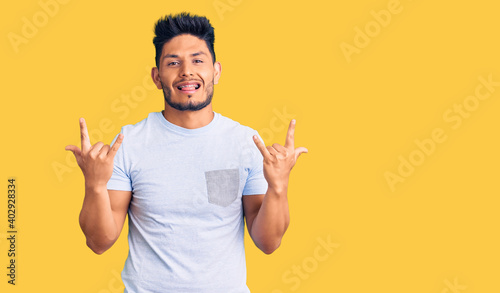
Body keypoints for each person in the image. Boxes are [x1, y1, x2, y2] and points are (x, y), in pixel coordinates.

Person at [65, 12, 308, 292]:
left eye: (197, 60)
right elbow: (99, 242)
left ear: (216, 71)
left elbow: (269, 243)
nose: (186, 71)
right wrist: (94, 184)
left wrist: (279, 186)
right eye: (173, 63)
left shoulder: (245, 142)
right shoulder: (129, 142)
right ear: (157, 77)